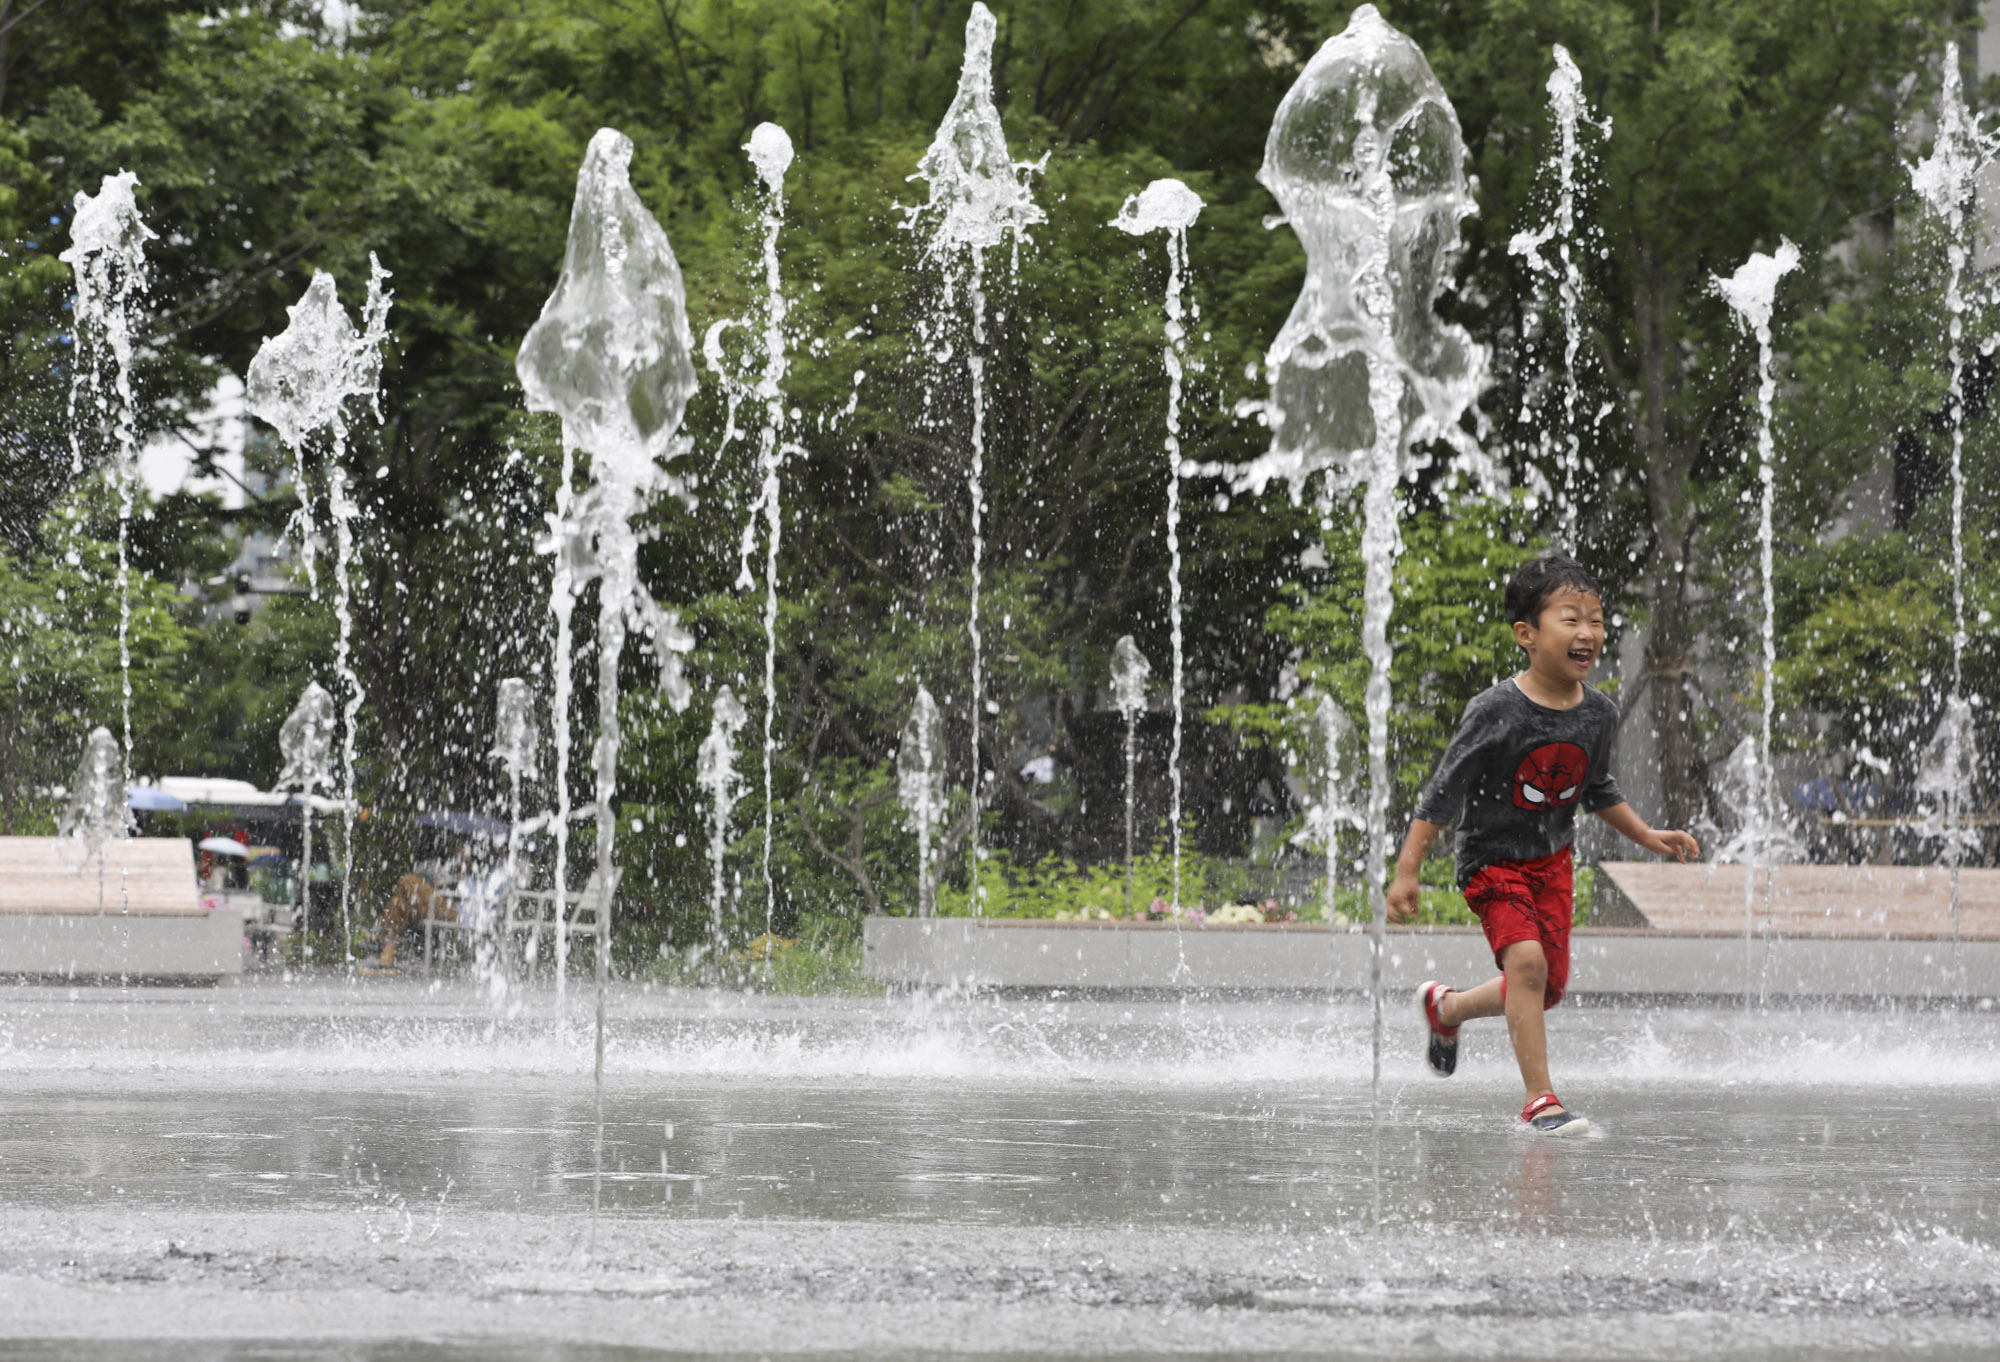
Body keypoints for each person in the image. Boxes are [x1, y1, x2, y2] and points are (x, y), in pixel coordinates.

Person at [1388, 552, 1699, 1135]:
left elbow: (1597, 787)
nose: (1587, 633)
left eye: (1596, 620)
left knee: (1544, 988)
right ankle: (1541, 1101)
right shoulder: (1495, 710)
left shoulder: (1599, 713)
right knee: (1527, 964)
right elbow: (1442, 792)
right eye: (1570, 619)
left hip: (1551, 864)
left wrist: (1648, 835)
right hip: (1491, 861)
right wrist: (1408, 871)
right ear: (1527, 635)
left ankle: (1445, 1008)